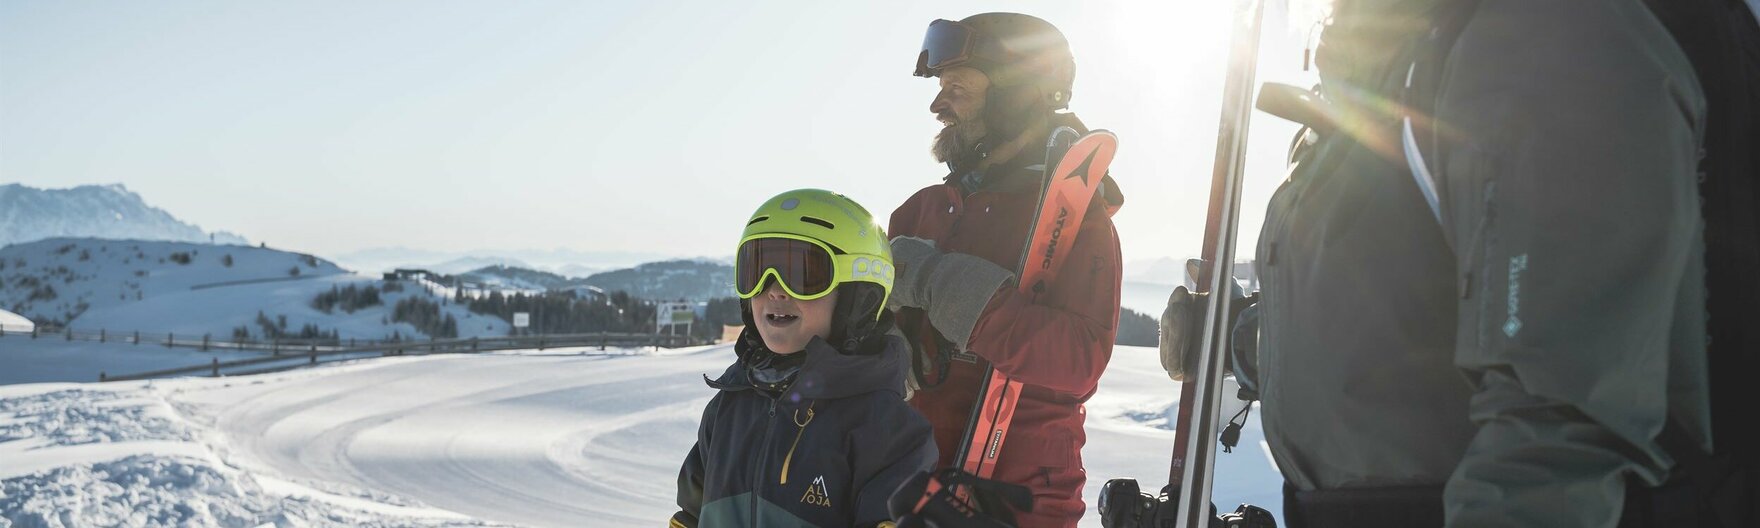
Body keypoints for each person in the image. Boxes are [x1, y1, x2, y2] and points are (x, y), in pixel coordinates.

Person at [1232, 0, 1756, 525]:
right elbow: (1397, 320)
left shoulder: (1541, 42)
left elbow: (1561, 423)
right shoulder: (1393, 80)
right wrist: (1255, 338)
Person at [887, 13, 1125, 527]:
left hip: (1020, 504)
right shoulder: (917, 213)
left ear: (1016, 94)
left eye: (957, 86)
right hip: (911, 491)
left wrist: (941, 284)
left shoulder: (1078, 219)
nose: (937, 104)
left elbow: (1079, 361)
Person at [672, 189, 936, 528]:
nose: (775, 289)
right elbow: (690, 516)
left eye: (802, 274)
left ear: (858, 298)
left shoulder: (887, 431)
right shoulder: (728, 407)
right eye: (757, 271)